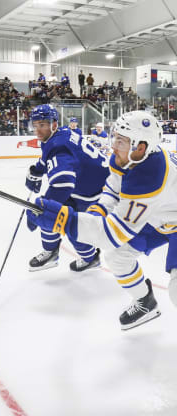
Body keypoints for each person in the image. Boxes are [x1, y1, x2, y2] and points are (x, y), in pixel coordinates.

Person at [26, 111, 177, 330]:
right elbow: (112, 191)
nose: (114, 146)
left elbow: (112, 235)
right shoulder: (128, 159)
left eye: (121, 141)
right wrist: (96, 213)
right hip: (161, 217)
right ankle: (146, 302)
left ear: (140, 147)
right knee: (117, 256)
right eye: (115, 137)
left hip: (166, 217)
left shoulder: (149, 176)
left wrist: (63, 220)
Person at [25, 104, 109, 272]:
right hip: (85, 184)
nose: (37, 130)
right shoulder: (58, 135)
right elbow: (47, 156)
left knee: (73, 225)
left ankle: (90, 258)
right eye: (35, 125)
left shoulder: (59, 146)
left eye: (42, 125)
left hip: (92, 193)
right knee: (49, 211)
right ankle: (51, 251)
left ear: (53, 124)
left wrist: (43, 209)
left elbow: (63, 185)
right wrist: (37, 170)